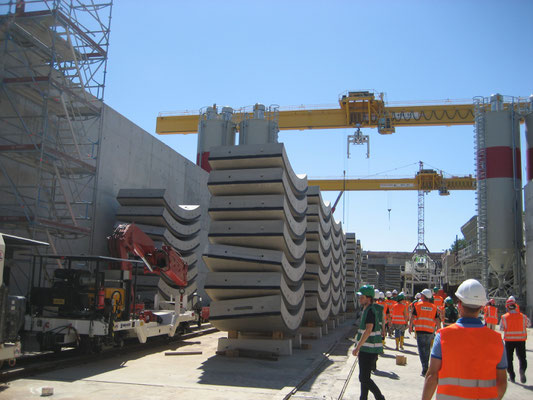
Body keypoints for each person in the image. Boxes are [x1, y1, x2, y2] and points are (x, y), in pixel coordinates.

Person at [421, 279, 507, 400]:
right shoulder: (497, 340)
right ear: (482, 307)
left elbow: (432, 376)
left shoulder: (443, 336)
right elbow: (502, 382)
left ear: (459, 304)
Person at [352, 285, 386, 400]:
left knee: (364, 378)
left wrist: (358, 347)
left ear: (369, 298)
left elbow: (368, 330)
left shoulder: (370, 311)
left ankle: (379, 397)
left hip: (368, 349)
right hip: (367, 348)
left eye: (362, 297)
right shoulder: (367, 309)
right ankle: (363, 398)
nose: (360, 299)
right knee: (365, 376)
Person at [409, 288, 440, 376]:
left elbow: (413, 316)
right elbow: (437, 319)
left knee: (422, 350)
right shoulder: (434, 307)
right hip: (430, 331)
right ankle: (426, 366)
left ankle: (425, 368)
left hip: (420, 331)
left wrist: (410, 326)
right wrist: (439, 329)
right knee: (427, 349)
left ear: (423, 296)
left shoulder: (417, 305)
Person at [500, 296, 530, 383]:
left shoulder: (504, 317)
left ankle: (512, 375)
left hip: (509, 341)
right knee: (522, 357)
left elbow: (501, 328)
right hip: (521, 340)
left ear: (507, 307)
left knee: (509, 358)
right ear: (515, 306)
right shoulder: (523, 317)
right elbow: (528, 324)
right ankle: (522, 370)